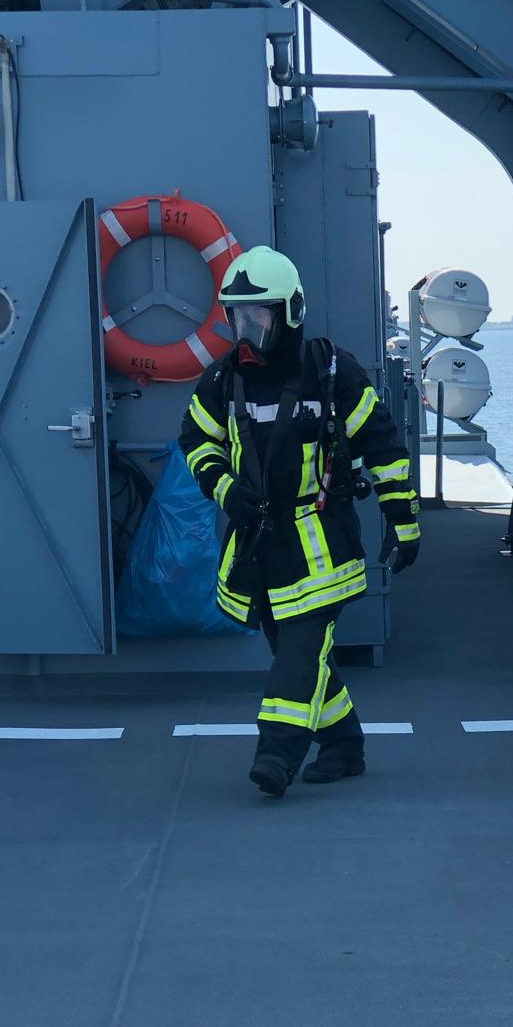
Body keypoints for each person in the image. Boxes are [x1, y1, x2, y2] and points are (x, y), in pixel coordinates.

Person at [179, 245, 420, 798]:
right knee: (305, 658)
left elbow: (383, 449)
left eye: (258, 318)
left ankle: (276, 754)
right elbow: (196, 442)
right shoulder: (222, 382)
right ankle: (344, 745)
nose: (246, 332)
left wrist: (403, 525)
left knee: (298, 655)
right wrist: (224, 488)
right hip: (259, 546)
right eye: (237, 318)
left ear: (288, 314)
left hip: (321, 545)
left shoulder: (333, 373)